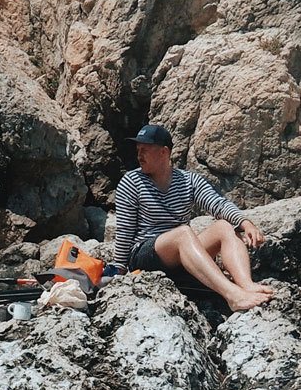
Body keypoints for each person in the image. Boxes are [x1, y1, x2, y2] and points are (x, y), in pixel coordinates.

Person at [108, 124, 273, 312]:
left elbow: (217, 204)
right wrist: (119, 267)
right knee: (184, 233)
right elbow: (125, 229)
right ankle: (233, 296)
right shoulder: (131, 181)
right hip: (145, 255)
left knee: (224, 227)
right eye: (138, 149)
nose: (139, 155)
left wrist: (245, 223)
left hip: (181, 254)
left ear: (164, 152)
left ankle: (247, 285)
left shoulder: (188, 181)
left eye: (145, 149)